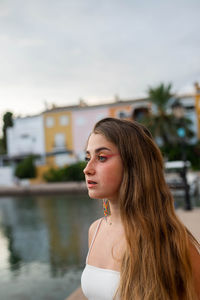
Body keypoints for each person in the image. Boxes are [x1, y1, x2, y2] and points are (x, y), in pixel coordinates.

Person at [81, 117, 200, 300]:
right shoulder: (95, 230)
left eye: (102, 157)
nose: (87, 169)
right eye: (88, 158)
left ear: (133, 164)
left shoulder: (172, 241)